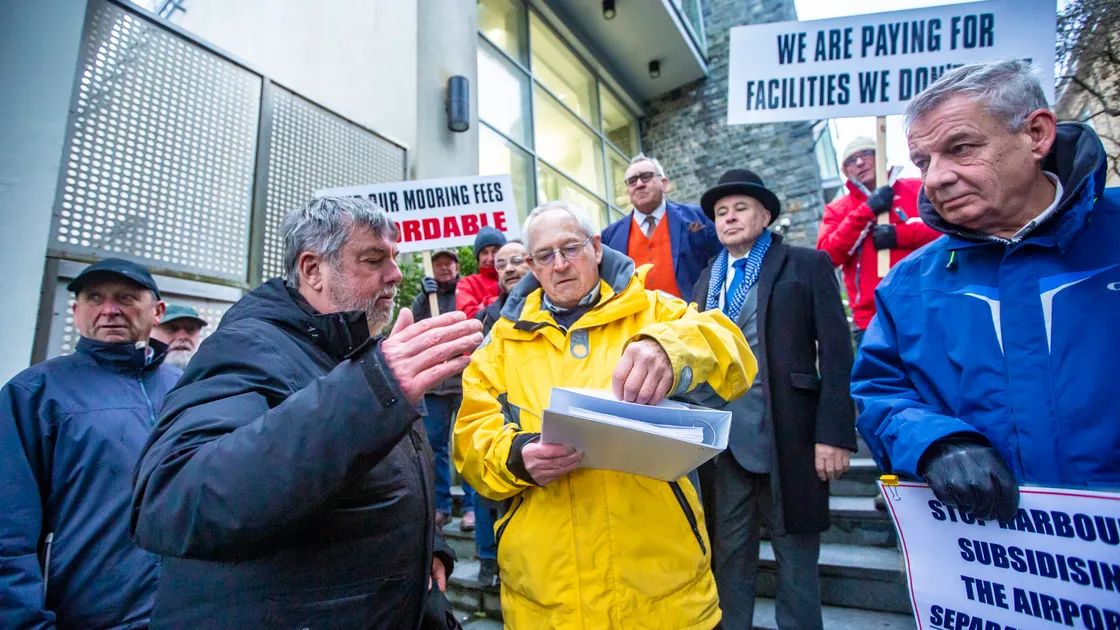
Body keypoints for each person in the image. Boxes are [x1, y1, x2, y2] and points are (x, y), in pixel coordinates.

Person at [131, 197, 482, 628]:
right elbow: (175, 497)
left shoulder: (362, 349)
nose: (394, 275)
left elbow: (375, 478)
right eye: (373, 259)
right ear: (312, 270)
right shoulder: (246, 348)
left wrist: (428, 545)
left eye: (394, 258)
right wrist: (372, 390)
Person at [455, 201, 756, 629]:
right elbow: (468, 441)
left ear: (596, 247)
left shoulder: (654, 309)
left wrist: (670, 349)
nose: (559, 265)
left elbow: (735, 351)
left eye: (571, 248)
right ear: (531, 266)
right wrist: (518, 456)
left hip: (663, 601)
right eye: (545, 255)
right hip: (547, 604)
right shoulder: (499, 345)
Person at [852, 60, 1120, 523]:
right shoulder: (906, 286)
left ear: (1036, 134)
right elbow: (879, 391)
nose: (935, 178)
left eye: (961, 148)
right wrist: (935, 441)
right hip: (994, 567)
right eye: (924, 162)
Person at [692, 170, 857, 630]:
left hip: (792, 439)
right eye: (721, 213)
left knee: (798, 563)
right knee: (729, 559)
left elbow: (838, 353)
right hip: (723, 446)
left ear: (765, 215)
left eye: (739, 208)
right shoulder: (707, 280)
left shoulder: (806, 264)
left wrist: (835, 433)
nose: (729, 218)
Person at [0, 258, 180, 629]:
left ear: (157, 311)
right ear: (76, 311)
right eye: (95, 298)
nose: (110, 310)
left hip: (184, 615)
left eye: (126, 298)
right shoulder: (34, 394)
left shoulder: (186, 388)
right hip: (85, 618)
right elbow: (8, 532)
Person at [816, 137, 941, 346]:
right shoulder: (838, 210)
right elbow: (826, 257)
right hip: (872, 320)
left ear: (881, 156)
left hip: (928, 307)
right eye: (850, 161)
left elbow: (951, 232)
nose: (859, 163)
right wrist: (867, 211)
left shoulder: (919, 189)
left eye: (866, 154)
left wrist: (901, 235)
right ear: (846, 172)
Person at [472, 239, 532, 589]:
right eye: (501, 263)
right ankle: (488, 560)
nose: (509, 268)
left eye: (516, 261)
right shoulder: (487, 317)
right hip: (499, 422)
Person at [601, 153, 722, 303]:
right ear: (628, 192)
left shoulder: (700, 217)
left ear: (664, 184)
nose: (639, 184)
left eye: (646, 176)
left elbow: (722, 262)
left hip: (692, 318)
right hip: (637, 324)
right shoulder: (609, 237)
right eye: (632, 181)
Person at [410, 248, 464, 530]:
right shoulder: (425, 298)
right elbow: (414, 329)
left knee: (467, 444)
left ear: (457, 267)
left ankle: (470, 507)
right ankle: (441, 505)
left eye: (448, 263)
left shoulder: (467, 292)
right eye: (438, 264)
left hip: (463, 380)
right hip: (434, 385)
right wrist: (421, 297)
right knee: (435, 447)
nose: (444, 268)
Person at [456, 226, 507, 318]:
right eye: (484, 253)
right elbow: (468, 316)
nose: (490, 258)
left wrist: (484, 305)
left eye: (495, 251)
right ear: (478, 257)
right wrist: (504, 300)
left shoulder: (516, 274)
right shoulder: (467, 283)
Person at [150, 304, 208, 370]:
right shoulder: (139, 374)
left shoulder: (210, 375)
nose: (182, 337)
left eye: (191, 329)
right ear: (151, 334)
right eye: (171, 328)